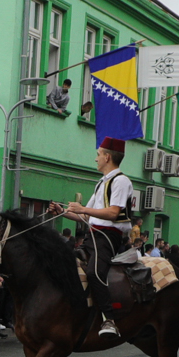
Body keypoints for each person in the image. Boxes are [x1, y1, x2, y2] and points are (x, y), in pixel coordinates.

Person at [61, 139, 136, 336]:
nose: (96, 159)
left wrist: (83, 208)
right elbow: (85, 216)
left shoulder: (120, 181)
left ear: (107, 157)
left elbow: (112, 213)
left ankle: (109, 320)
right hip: (92, 235)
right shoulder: (101, 182)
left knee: (95, 272)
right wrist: (61, 212)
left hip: (107, 237)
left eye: (98, 154)